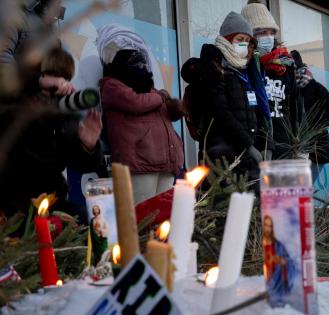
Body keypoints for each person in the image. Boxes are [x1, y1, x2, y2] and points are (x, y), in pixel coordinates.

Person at [0, 47, 103, 218]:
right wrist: (38, 84)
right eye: (51, 74)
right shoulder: (14, 100)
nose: (59, 83)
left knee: (87, 221)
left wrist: (88, 145)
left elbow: (79, 162)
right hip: (11, 203)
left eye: (64, 77)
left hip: (50, 200)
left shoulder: (64, 110)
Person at [180, 12, 268, 181]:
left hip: (243, 157)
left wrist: (262, 144)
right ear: (227, 39)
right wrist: (248, 146)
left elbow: (252, 112)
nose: (244, 44)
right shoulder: (214, 70)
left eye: (248, 41)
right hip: (220, 158)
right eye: (240, 39)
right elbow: (221, 111)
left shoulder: (244, 71)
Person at [100, 49, 184, 204]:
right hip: (140, 165)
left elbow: (164, 111)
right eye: (136, 63)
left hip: (164, 163)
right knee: (142, 218)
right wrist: (161, 96)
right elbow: (136, 103)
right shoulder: (112, 86)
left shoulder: (149, 89)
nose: (142, 67)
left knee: (161, 217)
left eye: (143, 63)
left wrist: (175, 107)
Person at [242, 0, 302, 159]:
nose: (268, 37)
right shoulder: (244, 67)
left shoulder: (285, 63)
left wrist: (299, 139)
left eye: (271, 32)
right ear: (250, 36)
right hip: (257, 148)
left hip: (284, 144)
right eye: (262, 32)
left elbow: (295, 104)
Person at [291, 50, 329, 185]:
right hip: (291, 148)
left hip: (316, 148)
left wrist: (310, 129)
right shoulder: (287, 89)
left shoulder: (317, 89)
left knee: (304, 189)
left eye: (292, 69)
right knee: (293, 191)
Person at [262, 215, 293, 297]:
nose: (268, 229)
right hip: (268, 281)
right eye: (265, 225)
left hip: (279, 284)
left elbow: (289, 260)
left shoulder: (278, 245)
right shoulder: (261, 243)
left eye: (270, 226)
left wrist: (282, 260)